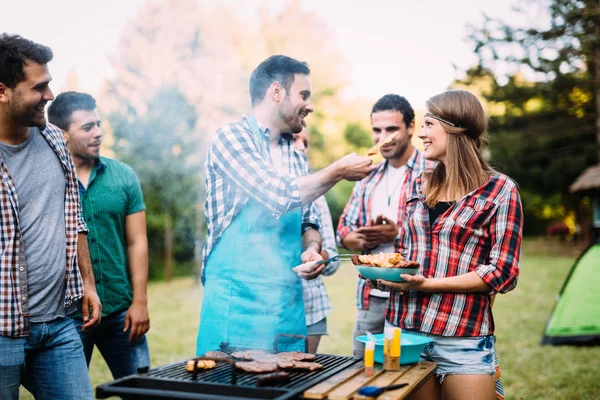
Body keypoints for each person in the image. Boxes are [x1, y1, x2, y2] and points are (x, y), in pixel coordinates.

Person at [197, 55, 375, 354]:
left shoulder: (294, 155)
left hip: (286, 308)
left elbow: (309, 220)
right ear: (276, 92)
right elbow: (275, 194)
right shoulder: (230, 138)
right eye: (303, 95)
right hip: (237, 308)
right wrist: (339, 170)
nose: (310, 105)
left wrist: (312, 248)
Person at [370, 90, 522, 400]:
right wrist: (386, 272)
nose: (421, 134)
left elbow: (503, 273)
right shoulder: (418, 184)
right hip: (403, 331)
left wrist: (428, 285)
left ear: (455, 127)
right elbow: (409, 255)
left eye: (428, 124)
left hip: (462, 336)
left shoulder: (500, 190)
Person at [0, 34, 101, 400]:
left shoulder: (55, 140)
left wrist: (88, 284)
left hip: (59, 324)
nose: (50, 95)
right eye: (39, 86)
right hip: (3, 330)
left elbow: (74, 219)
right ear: (2, 91)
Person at [48, 92, 151, 379]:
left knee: (143, 392)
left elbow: (137, 241)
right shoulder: (47, 179)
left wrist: (140, 302)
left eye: (98, 124)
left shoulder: (123, 175)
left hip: (122, 311)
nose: (98, 133)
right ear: (62, 134)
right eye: (87, 127)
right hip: (68, 318)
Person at [336, 94, 434, 358]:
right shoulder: (368, 178)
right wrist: (361, 240)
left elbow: (444, 234)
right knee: (362, 370)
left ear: (411, 127)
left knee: (410, 377)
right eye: (377, 131)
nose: (383, 138)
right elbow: (344, 231)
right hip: (371, 296)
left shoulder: (433, 171)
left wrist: (398, 233)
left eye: (392, 129)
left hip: (415, 295)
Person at [293, 123, 340, 353]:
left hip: (311, 311)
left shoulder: (316, 197)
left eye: (305, 143)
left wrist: (316, 256)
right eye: (294, 140)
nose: (301, 148)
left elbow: (333, 262)